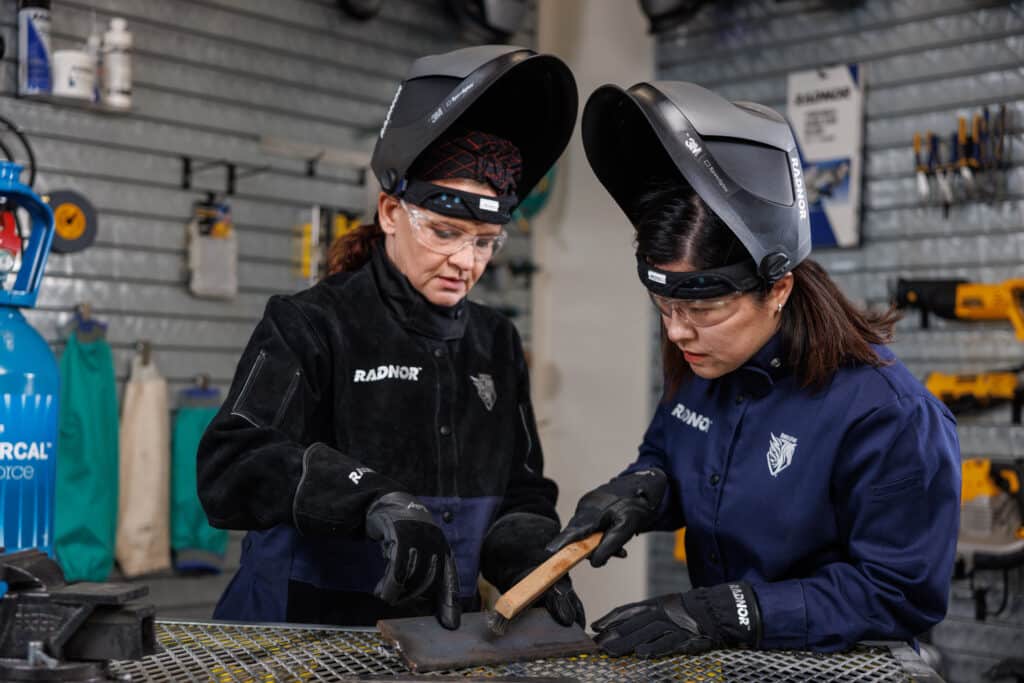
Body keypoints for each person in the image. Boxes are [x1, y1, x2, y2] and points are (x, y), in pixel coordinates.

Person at [546, 80, 961, 655]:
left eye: (702, 310)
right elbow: (672, 455)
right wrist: (641, 489)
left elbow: (899, 592)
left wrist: (736, 611)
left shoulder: (890, 416)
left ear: (778, 288)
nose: (677, 331)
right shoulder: (705, 364)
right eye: (664, 306)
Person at [197, 45, 583, 631]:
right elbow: (230, 464)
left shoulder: (496, 341)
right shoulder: (310, 323)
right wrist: (370, 499)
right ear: (389, 212)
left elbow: (521, 489)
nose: (466, 262)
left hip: (441, 638)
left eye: (484, 242)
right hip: (303, 633)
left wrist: (525, 551)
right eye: (445, 232)